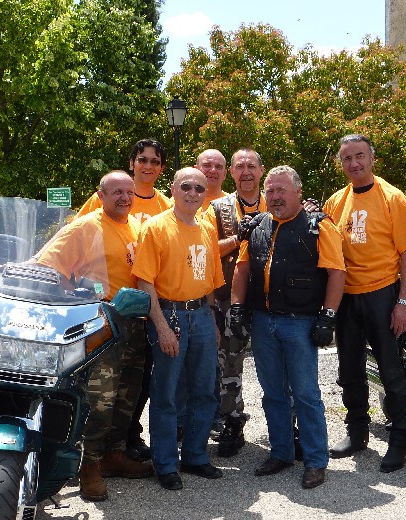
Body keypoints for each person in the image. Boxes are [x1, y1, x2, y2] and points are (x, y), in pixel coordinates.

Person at [36, 170, 153, 501]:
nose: (125, 198)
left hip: (135, 324)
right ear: (100, 196)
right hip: (101, 324)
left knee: (128, 395)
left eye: (129, 192)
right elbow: (47, 267)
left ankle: (114, 455)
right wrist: (78, 299)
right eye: (117, 192)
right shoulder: (85, 226)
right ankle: (88, 466)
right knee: (100, 399)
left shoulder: (136, 226)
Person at [231, 166, 345, 489]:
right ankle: (281, 452)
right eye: (270, 191)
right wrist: (237, 308)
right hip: (262, 321)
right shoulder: (256, 226)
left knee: (306, 394)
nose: (275, 196)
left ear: (298, 192)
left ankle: (315, 460)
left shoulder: (318, 226)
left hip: (301, 323)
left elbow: (337, 273)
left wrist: (328, 316)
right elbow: (242, 269)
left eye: (281, 190)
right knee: (273, 393)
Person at [323, 134, 406, 472]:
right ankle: (357, 433)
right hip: (346, 297)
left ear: (371, 158)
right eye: (347, 158)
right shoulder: (336, 202)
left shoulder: (393, 198)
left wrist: (403, 302)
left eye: (359, 156)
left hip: (382, 295)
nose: (354, 163)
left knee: (391, 372)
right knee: (350, 371)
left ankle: (399, 439)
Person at [76, 140, 173, 462]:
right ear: (132, 163)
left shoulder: (165, 204)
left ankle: (126, 439)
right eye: (142, 159)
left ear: (161, 168)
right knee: (102, 387)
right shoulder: (103, 198)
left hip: (146, 308)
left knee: (138, 381)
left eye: (155, 161)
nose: (148, 165)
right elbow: (78, 239)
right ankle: (92, 456)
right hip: (106, 309)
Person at [133, 167, 225, 490]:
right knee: (167, 393)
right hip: (169, 315)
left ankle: (196, 456)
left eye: (199, 188)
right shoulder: (156, 228)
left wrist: (212, 321)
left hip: (201, 315)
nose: (193, 193)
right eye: (186, 186)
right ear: (173, 189)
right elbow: (145, 282)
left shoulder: (207, 229)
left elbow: (211, 281)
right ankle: (165, 463)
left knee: (204, 390)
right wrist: (161, 327)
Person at [200, 148, 268, 457]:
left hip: (270, 300)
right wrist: (238, 238)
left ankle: (287, 427)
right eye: (240, 166)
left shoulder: (276, 200)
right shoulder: (218, 208)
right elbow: (205, 249)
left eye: (251, 165)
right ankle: (231, 423)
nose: (246, 171)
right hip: (228, 299)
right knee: (228, 365)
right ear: (232, 172)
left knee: (278, 365)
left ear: (261, 170)